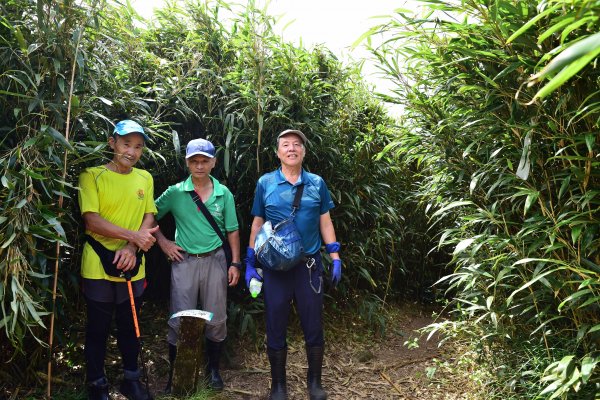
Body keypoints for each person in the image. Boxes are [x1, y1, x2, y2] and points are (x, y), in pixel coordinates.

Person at [245, 129, 342, 400]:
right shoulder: (265, 183)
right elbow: (256, 223)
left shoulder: (316, 183)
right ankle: (278, 385)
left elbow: (325, 221)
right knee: (275, 322)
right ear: (278, 153)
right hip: (275, 269)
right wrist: (250, 263)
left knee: (313, 323)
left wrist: (334, 256)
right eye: (285, 145)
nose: (291, 148)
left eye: (297, 145)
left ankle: (315, 383)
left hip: (308, 267)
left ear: (304, 152)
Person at [78, 120, 158, 400]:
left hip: (132, 265)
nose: (131, 152)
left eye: (138, 147)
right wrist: (134, 237)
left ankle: (131, 379)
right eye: (126, 144)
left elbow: (149, 215)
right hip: (97, 263)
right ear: (112, 143)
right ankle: (97, 384)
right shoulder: (92, 175)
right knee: (98, 327)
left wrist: (132, 247)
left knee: (129, 325)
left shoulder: (145, 178)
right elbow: (92, 220)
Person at [153, 138, 241, 392]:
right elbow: (149, 217)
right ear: (187, 163)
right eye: (194, 161)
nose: (200, 166)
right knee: (179, 317)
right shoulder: (175, 192)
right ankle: (176, 374)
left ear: (214, 162)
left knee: (216, 317)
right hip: (185, 261)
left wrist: (235, 263)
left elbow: (233, 230)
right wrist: (164, 243)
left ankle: (212, 369)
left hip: (215, 260)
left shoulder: (224, 193)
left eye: (205, 161)